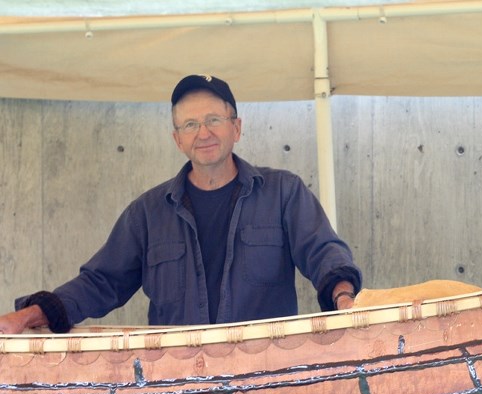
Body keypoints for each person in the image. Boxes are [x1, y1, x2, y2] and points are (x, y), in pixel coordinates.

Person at [0, 74, 361, 335]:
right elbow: (100, 282)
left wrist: (344, 297)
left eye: (213, 120)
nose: (203, 133)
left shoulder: (284, 193)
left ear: (236, 127)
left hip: (265, 378)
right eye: (190, 124)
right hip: (177, 381)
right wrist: (31, 314)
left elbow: (323, 251)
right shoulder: (147, 213)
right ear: (177, 139)